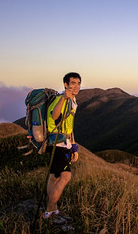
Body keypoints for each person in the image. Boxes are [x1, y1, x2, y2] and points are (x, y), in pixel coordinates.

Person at [43, 72, 81, 219]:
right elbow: (54, 115)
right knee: (66, 176)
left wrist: (74, 146)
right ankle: (49, 209)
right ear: (66, 85)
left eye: (78, 83)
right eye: (73, 83)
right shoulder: (62, 98)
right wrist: (64, 98)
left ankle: (53, 208)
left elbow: (69, 126)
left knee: (54, 176)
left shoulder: (73, 101)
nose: (76, 86)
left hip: (62, 142)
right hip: (57, 143)